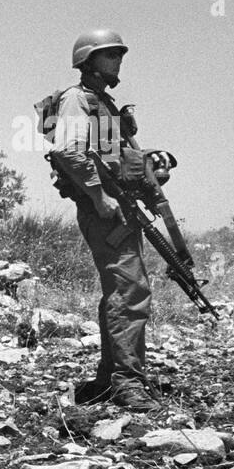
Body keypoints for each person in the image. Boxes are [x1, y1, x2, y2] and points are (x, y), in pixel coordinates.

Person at [47, 29, 159, 412]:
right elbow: (67, 150)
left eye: (119, 54)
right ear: (89, 61)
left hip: (120, 207)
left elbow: (113, 155)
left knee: (123, 289)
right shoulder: (77, 99)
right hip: (106, 210)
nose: (118, 59)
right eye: (110, 54)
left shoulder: (103, 103)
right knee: (130, 291)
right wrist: (99, 194)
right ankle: (127, 383)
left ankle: (110, 377)